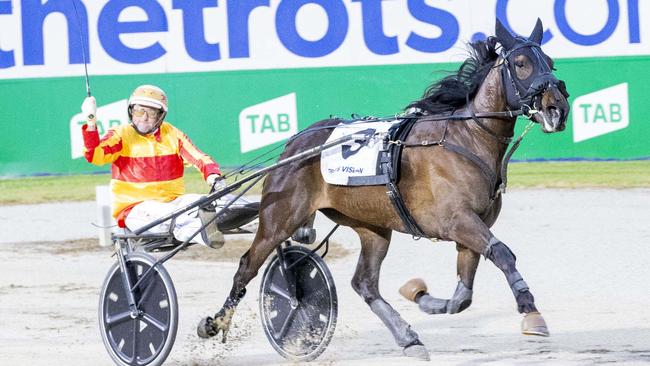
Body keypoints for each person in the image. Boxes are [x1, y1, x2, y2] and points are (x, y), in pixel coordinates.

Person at [81, 84, 226, 248]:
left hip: (172, 202)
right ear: (131, 111)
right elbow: (94, 155)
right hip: (134, 209)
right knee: (178, 215)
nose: (143, 118)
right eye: (139, 111)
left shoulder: (172, 134)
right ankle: (201, 232)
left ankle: (249, 218)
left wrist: (213, 175)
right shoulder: (120, 134)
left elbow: (199, 157)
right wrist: (91, 122)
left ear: (160, 116)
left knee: (208, 202)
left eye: (151, 113)